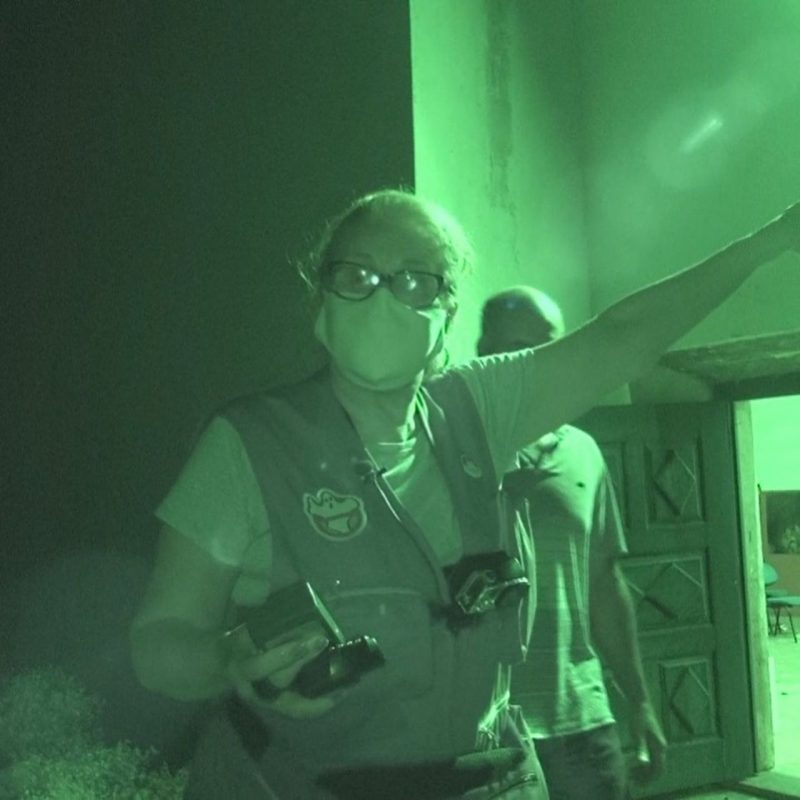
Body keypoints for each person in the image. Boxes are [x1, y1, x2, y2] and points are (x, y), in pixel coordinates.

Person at [129, 188, 799, 799]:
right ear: (319, 297)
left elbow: (622, 336)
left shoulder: (480, 409)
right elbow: (158, 643)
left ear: (446, 314)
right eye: (357, 275)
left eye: (416, 280)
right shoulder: (249, 443)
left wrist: (776, 237)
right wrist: (225, 660)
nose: (383, 297)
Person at [477, 287, 666, 800]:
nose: (539, 364)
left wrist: (640, 703)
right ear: (483, 353)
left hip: (582, 723)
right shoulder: (449, 449)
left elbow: (603, 584)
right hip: (482, 729)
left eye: (552, 349)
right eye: (517, 349)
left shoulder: (584, 453)